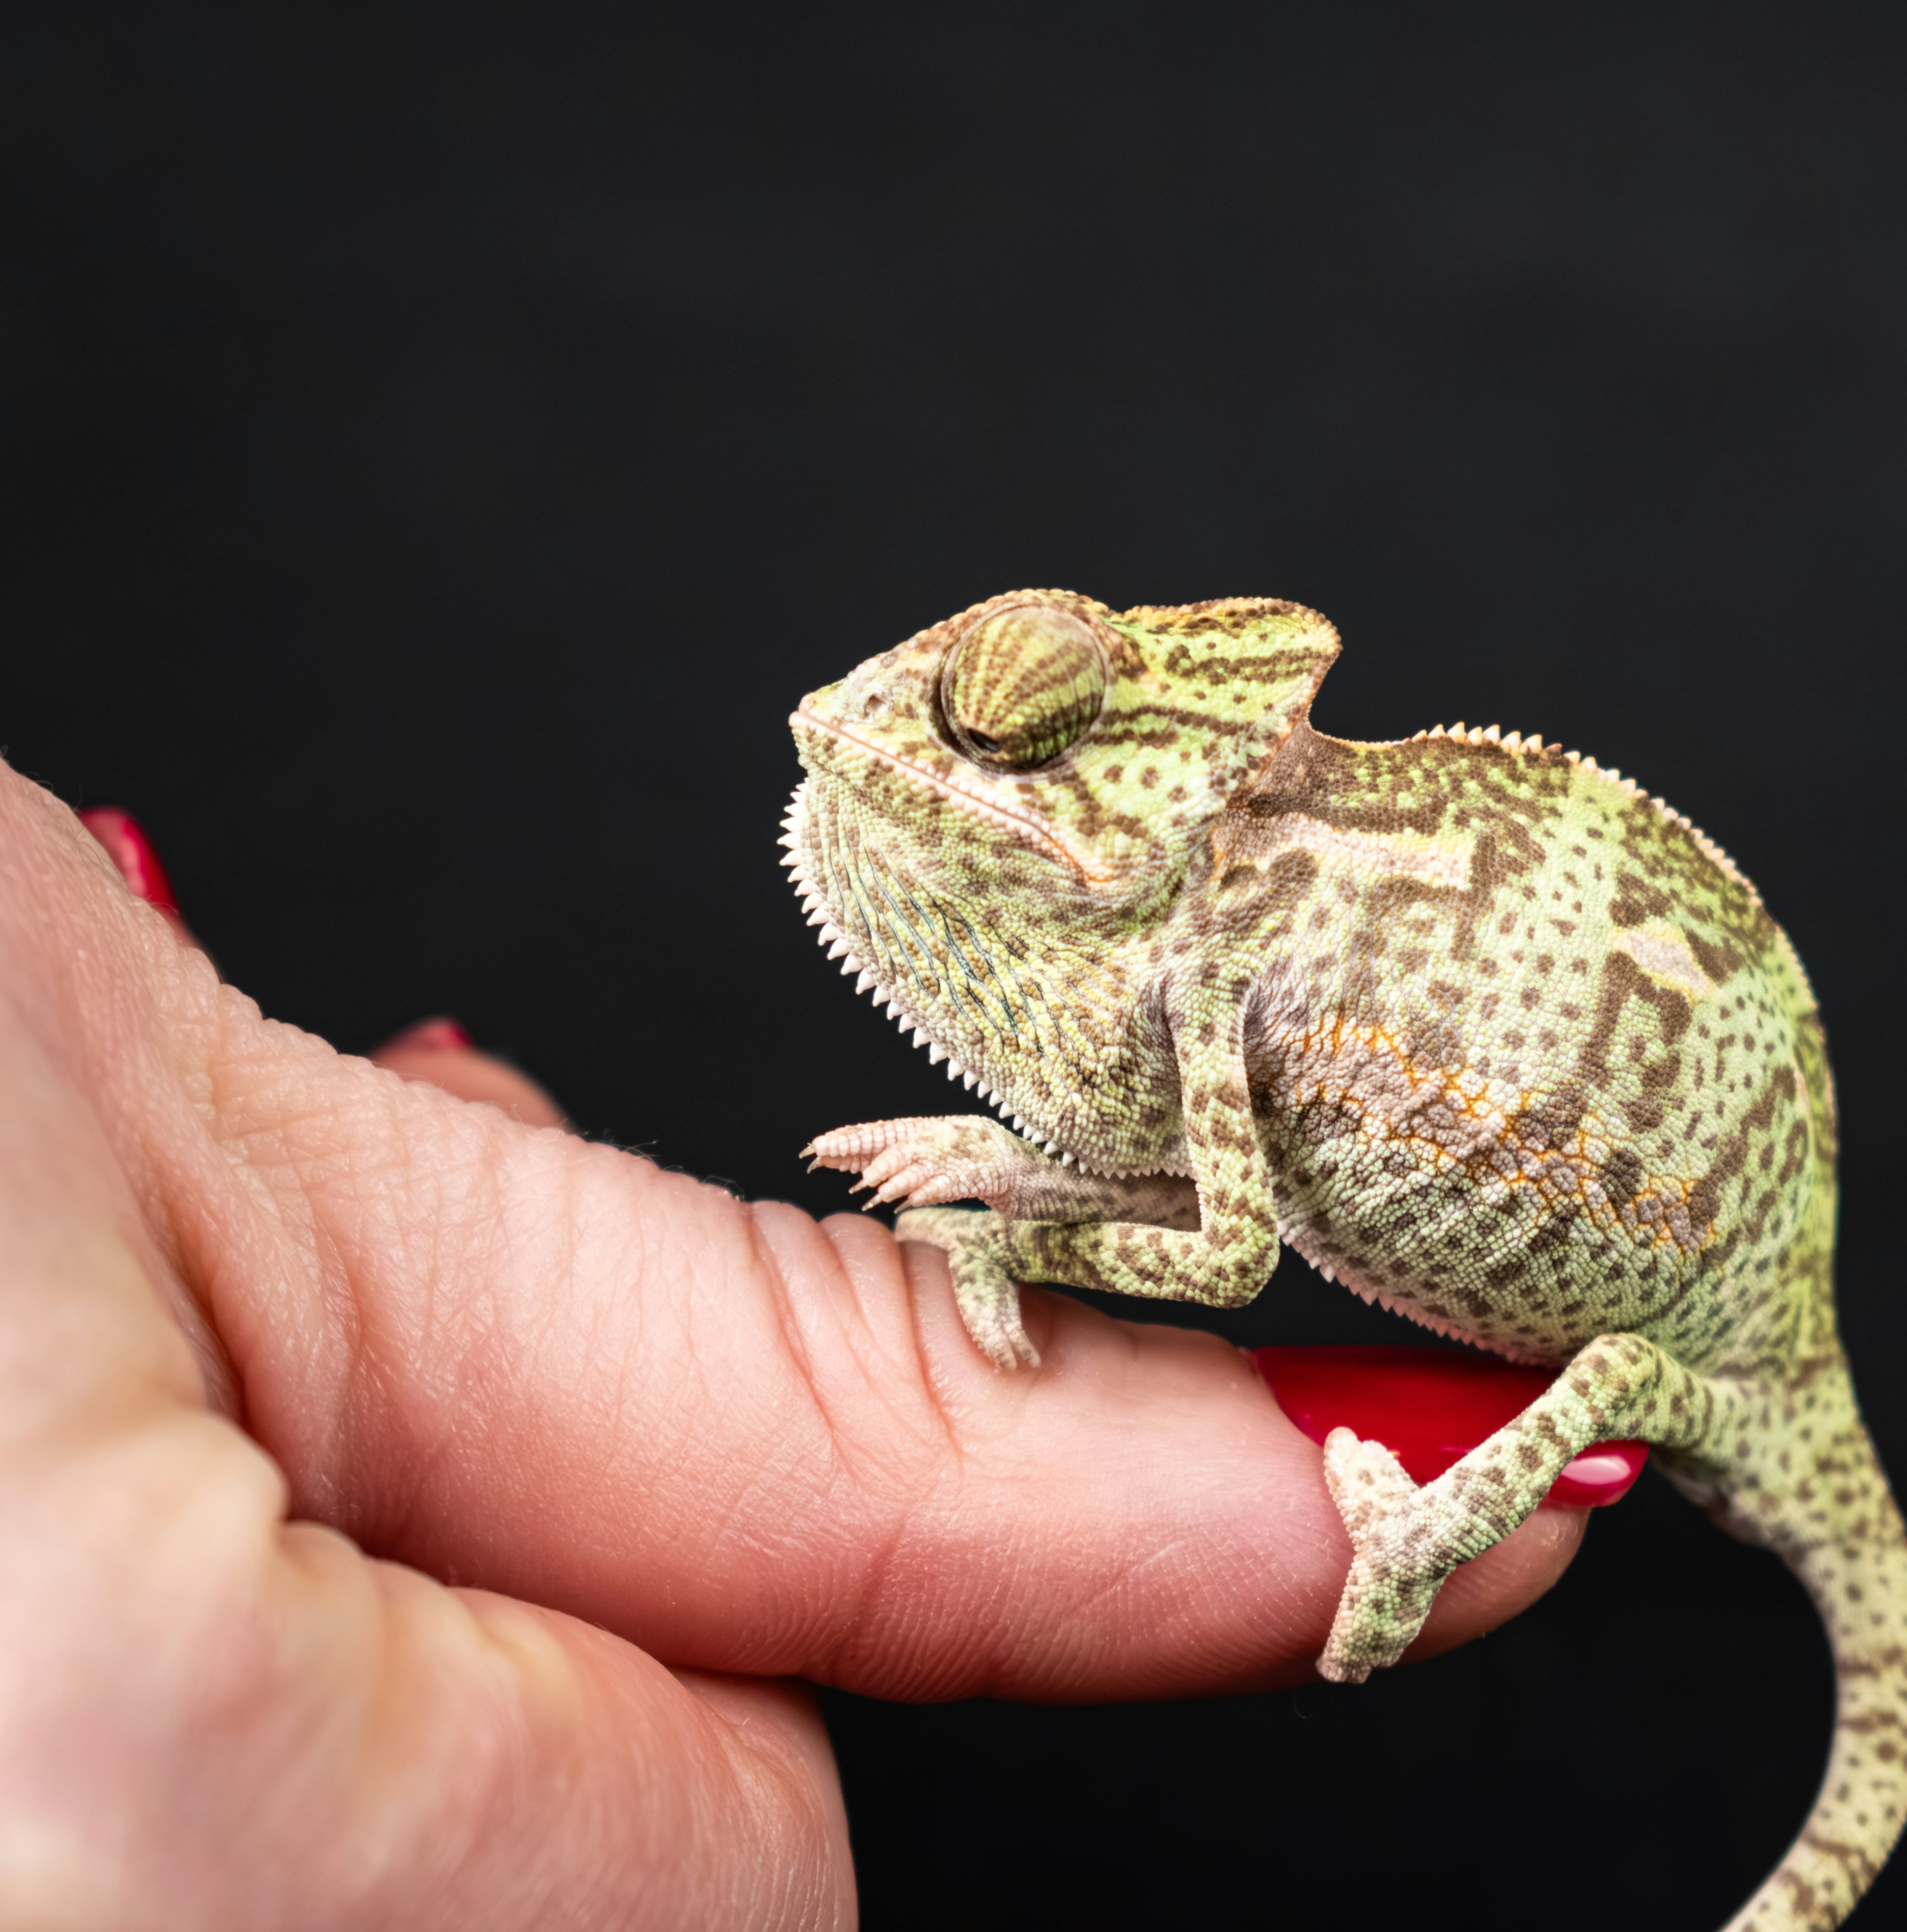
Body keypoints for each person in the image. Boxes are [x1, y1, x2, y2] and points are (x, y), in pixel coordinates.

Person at [0, 765, 1583, 1927]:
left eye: (1015, 728)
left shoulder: (1223, 946)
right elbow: (1204, 1180)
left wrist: (1023, 1228)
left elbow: (1224, 1231)